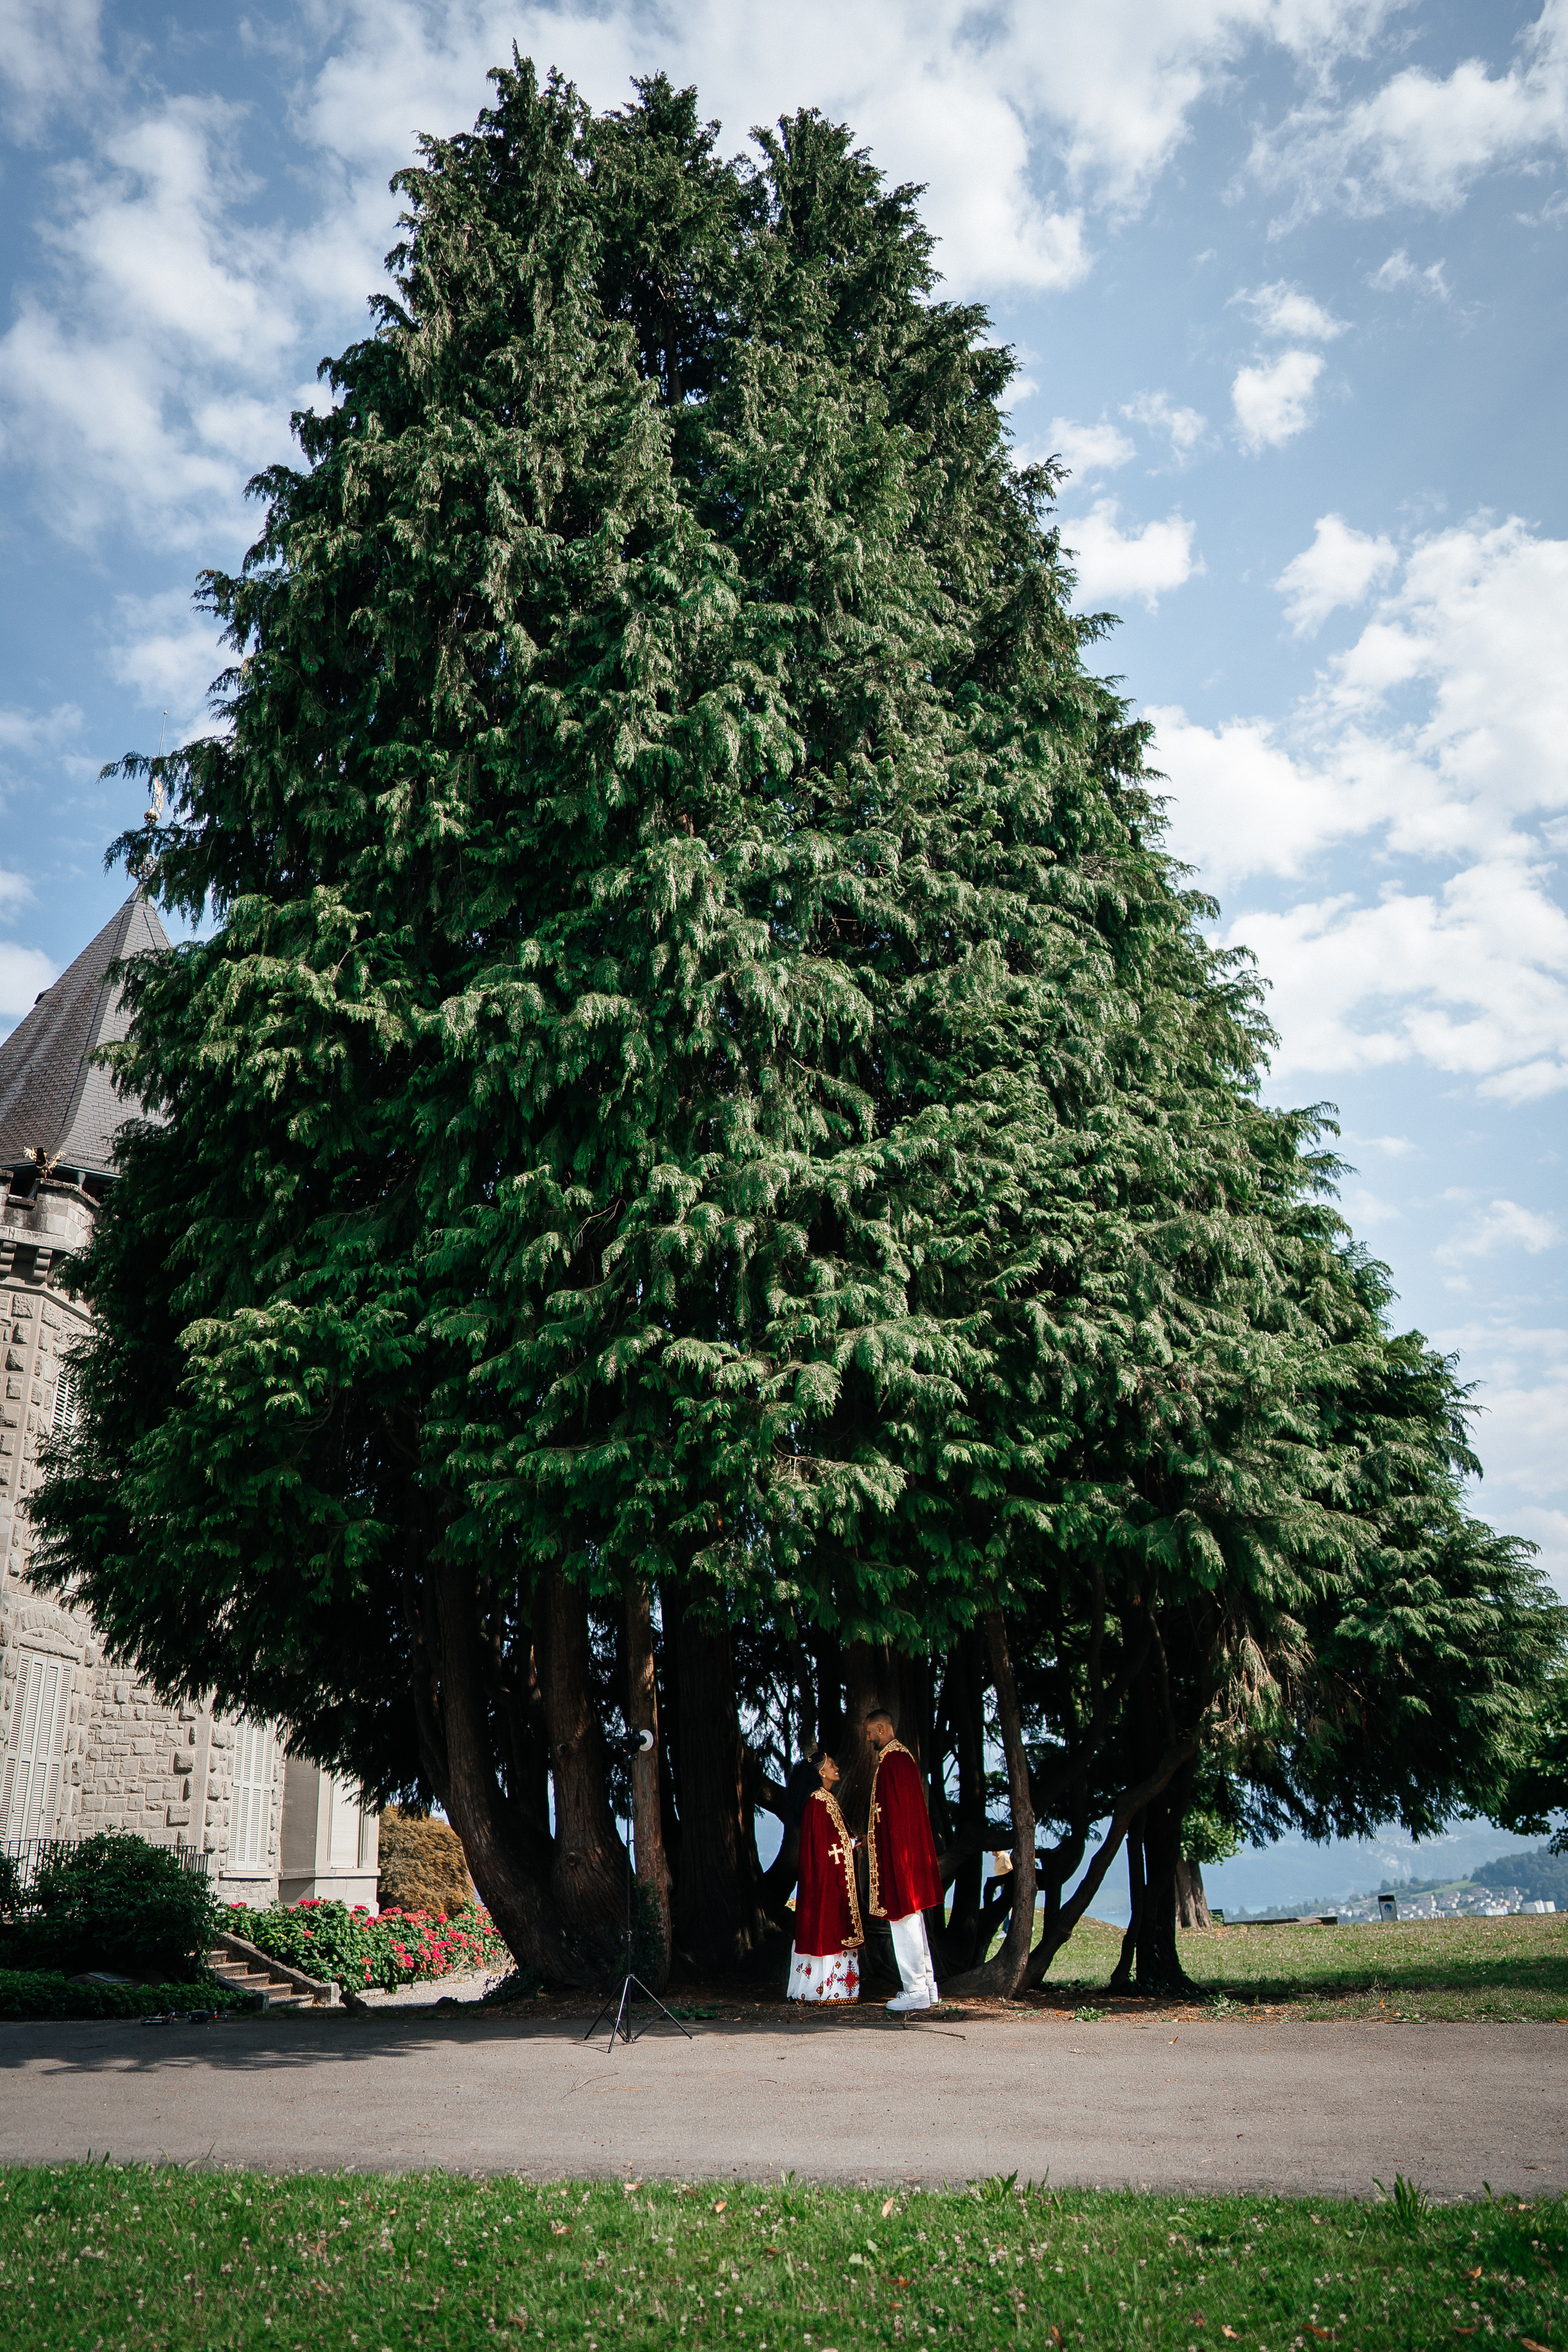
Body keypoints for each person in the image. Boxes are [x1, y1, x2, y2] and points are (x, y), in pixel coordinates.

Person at [865, 1707, 943, 2012]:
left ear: (883, 1729)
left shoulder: (893, 1760)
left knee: (904, 1921)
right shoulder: (900, 1759)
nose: (869, 1739)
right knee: (913, 1920)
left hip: (900, 1857)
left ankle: (915, 1989)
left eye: (871, 1733)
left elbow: (895, 1817)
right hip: (904, 1854)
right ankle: (926, 1985)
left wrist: (896, 1862)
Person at [786, 1751, 865, 2005]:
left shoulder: (823, 1800)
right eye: (832, 1764)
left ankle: (823, 1989)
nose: (836, 1767)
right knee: (830, 1927)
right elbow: (827, 1845)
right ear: (821, 1772)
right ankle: (829, 1990)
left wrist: (851, 1842)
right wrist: (852, 1842)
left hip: (828, 1877)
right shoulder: (820, 1801)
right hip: (828, 1880)